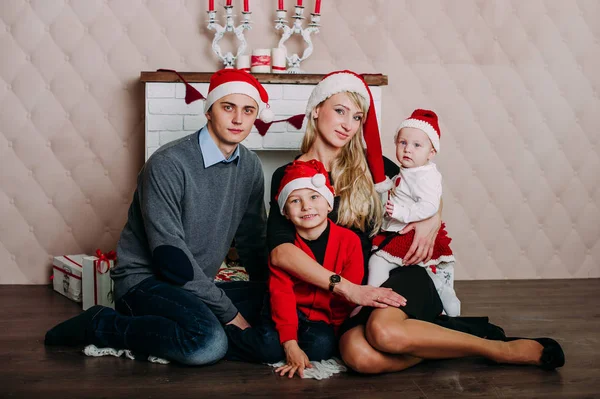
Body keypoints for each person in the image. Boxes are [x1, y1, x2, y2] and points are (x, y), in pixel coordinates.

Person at [267, 70, 565, 374]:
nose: (348, 124)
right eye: (340, 111)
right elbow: (280, 252)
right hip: (353, 290)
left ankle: (498, 350)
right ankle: (447, 337)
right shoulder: (289, 177)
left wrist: (431, 220)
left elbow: (428, 188)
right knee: (360, 357)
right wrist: (350, 290)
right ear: (317, 109)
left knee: (383, 333)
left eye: (357, 117)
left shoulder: (375, 166)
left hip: (397, 268)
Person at [44, 69, 272, 366]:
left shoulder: (251, 167)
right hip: (146, 282)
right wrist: (231, 314)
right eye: (228, 107)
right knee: (207, 343)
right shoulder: (169, 164)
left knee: (282, 307)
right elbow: (170, 260)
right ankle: (100, 324)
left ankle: (202, 329)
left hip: (198, 284)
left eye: (248, 110)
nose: (238, 119)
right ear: (209, 109)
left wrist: (272, 295)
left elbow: (252, 241)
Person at [224, 159, 364, 378]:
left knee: (322, 345)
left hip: (319, 318)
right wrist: (290, 343)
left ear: (329, 203)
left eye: (314, 197)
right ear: (285, 213)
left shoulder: (350, 241)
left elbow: (346, 296)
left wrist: (338, 333)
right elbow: (282, 296)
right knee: (270, 347)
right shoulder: (285, 249)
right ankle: (226, 336)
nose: (306, 206)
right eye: (295, 201)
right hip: (284, 308)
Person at [364, 109, 460, 317]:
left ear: (431, 152)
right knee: (419, 268)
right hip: (398, 229)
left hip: (407, 230)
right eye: (403, 143)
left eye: (417, 145)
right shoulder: (409, 171)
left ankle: (373, 299)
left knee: (378, 261)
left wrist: (401, 211)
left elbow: (430, 205)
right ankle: (442, 295)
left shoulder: (424, 175)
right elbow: (402, 190)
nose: (408, 150)